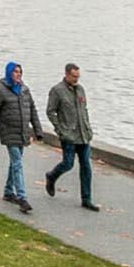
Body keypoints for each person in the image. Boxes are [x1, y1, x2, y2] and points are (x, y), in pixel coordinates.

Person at [0, 61, 44, 213]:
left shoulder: (24, 90)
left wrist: (38, 130)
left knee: (15, 163)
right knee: (17, 163)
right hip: (9, 132)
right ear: (9, 73)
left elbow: (32, 111)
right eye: (15, 71)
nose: (18, 74)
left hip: (22, 132)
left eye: (20, 72)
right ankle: (22, 198)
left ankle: (9, 191)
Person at [44, 62, 98, 209]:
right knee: (68, 164)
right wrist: (60, 129)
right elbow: (50, 112)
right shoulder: (57, 90)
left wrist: (88, 127)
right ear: (67, 74)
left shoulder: (80, 90)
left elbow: (84, 109)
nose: (76, 80)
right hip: (68, 135)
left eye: (78, 77)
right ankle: (51, 176)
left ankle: (86, 199)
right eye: (74, 77)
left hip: (83, 135)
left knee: (86, 166)